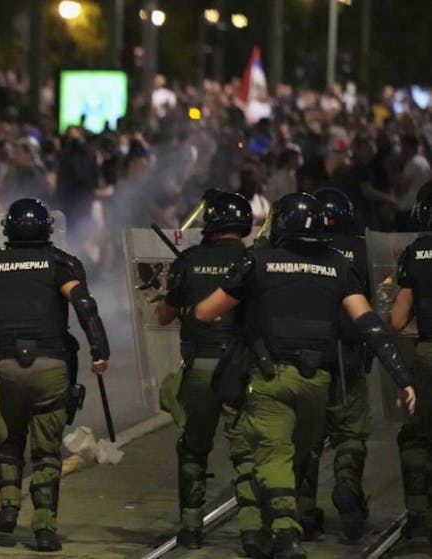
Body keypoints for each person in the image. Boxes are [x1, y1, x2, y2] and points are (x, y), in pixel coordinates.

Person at [195, 192, 416, 559]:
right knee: (298, 454)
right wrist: (401, 375)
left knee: (275, 455)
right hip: (319, 383)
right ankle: (290, 520)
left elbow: (206, 312)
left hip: (269, 379)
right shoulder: (336, 267)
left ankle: (285, 534)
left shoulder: (259, 261)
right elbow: (370, 326)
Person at [0, 198, 110, 552]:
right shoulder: (60, 264)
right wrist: (99, 351)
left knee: (10, 441)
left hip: (6, 369)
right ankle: (44, 528)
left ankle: (7, 506)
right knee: (47, 453)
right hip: (50, 367)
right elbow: (84, 305)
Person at [154, 190, 259, 549]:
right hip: (239, 369)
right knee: (245, 450)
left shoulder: (188, 260)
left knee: (193, 448)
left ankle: (191, 527)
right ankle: (252, 530)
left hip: (199, 365)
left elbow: (164, 315)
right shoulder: (252, 259)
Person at [297, 187, 373, 541]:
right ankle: (346, 482)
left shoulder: (305, 251)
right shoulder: (362, 250)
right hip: (350, 357)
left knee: (309, 436)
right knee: (351, 432)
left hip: (309, 356)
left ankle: (304, 511)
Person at [390, 196, 432, 543]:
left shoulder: (416, 253)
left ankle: (419, 516)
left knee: (417, 435)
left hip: (428, 355)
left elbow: (397, 319)